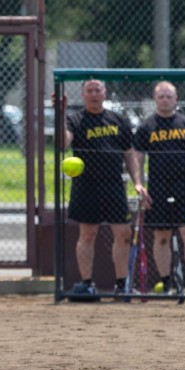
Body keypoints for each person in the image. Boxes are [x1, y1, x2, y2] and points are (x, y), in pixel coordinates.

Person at [60, 79, 137, 301]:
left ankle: (121, 285)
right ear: (83, 95)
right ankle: (86, 285)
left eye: (98, 90)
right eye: (89, 91)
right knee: (88, 233)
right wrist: (60, 113)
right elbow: (63, 143)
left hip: (114, 184)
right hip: (86, 185)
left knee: (123, 233)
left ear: (105, 93)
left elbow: (129, 153)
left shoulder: (118, 120)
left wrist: (138, 182)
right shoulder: (75, 119)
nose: (94, 94)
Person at [132, 81, 185, 295]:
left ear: (176, 99)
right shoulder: (146, 126)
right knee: (162, 236)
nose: (165, 100)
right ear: (155, 99)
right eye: (161, 96)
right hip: (157, 188)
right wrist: (139, 185)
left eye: (169, 96)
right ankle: (166, 283)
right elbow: (137, 159)